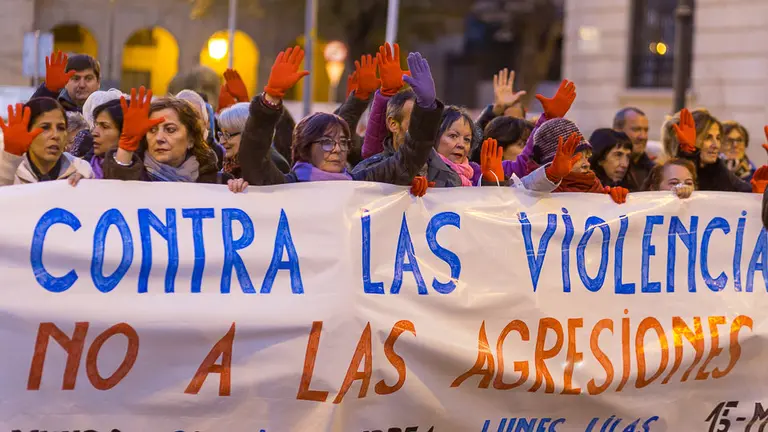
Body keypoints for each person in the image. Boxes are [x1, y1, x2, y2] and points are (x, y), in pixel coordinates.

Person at [237, 46, 443, 187]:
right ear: (305, 147)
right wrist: (270, 99)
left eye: (344, 142)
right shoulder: (284, 185)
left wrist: (425, 107)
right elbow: (253, 156)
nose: (337, 149)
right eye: (327, 142)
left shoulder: (363, 183)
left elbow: (410, 158)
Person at [102, 87, 230, 184]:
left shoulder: (217, 183)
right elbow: (116, 189)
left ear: (191, 139)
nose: (159, 138)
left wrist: (240, 188)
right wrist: (126, 148)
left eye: (170, 130)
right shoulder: (135, 175)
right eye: (152, 130)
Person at [528, 117, 629, 204]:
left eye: (587, 156)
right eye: (576, 156)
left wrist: (610, 200)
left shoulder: (593, 185)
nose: (587, 164)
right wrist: (551, 175)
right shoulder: (533, 191)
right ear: (553, 160)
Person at [0, 98, 93, 185]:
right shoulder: (9, 169)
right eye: (45, 127)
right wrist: (10, 162)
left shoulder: (81, 169)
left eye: (61, 128)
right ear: (26, 132)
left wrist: (84, 185)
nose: (55, 135)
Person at [667, 108, 751, 192]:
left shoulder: (719, 168)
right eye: (707, 137)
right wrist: (689, 153)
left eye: (718, 138)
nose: (716, 145)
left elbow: (743, 191)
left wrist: (759, 190)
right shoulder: (671, 171)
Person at [217, 102, 291, 178]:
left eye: (227, 135)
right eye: (221, 134)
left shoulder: (276, 164)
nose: (221, 141)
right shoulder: (231, 163)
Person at [32, 51, 101, 113]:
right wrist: (48, 90)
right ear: (65, 83)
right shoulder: (53, 109)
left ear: (98, 82)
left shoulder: (107, 109)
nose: (82, 85)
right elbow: (29, 117)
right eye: (76, 78)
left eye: (88, 78)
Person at [475, 68, 527, 133]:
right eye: (507, 119)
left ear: (524, 120)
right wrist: (495, 112)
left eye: (516, 119)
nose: (512, 125)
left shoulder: (532, 141)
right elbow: (473, 137)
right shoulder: (489, 141)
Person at [613, 107, 653, 191]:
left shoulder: (654, 171)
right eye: (636, 129)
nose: (643, 136)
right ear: (617, 130)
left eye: (646, 130)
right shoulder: (599, 170)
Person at [88, 99, 124, 178]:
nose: (94, 133)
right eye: (96, 125)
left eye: (105, 127)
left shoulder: (143, 173)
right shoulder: (80, 168)